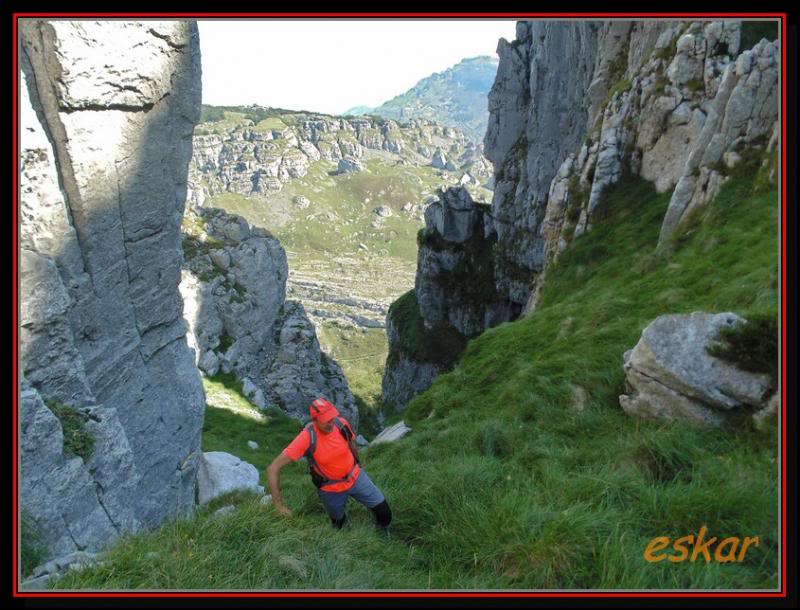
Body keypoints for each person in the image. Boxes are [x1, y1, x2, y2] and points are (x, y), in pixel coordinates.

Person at [266, 397, 392, 533]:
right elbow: (273, 469)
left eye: (332, 417)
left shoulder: (340, 424)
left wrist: (357, 463)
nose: (331, 423)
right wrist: (278, 505)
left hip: (355, 476)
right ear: (314, 421)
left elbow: (351, 443)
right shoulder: (307, 438)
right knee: (338, 523)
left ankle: (381, 531)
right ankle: (345, 534)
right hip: (331, 489)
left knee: (385, 513)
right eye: (326, 420)